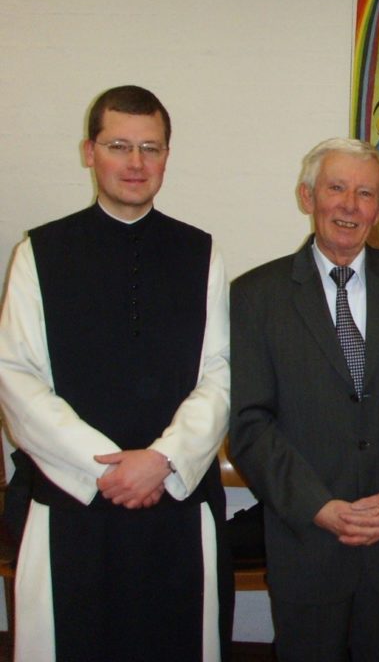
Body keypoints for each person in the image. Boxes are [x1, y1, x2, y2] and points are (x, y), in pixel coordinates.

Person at [0, 85, 232, 661]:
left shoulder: (201, 253)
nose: (135, 163)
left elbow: (220, 373)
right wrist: (100, 466)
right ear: (89, 151)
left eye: (150, 148)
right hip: (73, 502)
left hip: (173, 499)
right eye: (119, 146)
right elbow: (16, 374)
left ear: (167, 156)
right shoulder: (40, 252)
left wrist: (163, 460)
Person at [228, 138, 379, 662]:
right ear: (307, 196)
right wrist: (318, 506)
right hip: (306, 541)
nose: (349, 205)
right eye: (336, 188)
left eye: (365, 193)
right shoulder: (256, 296)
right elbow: (250, 423)